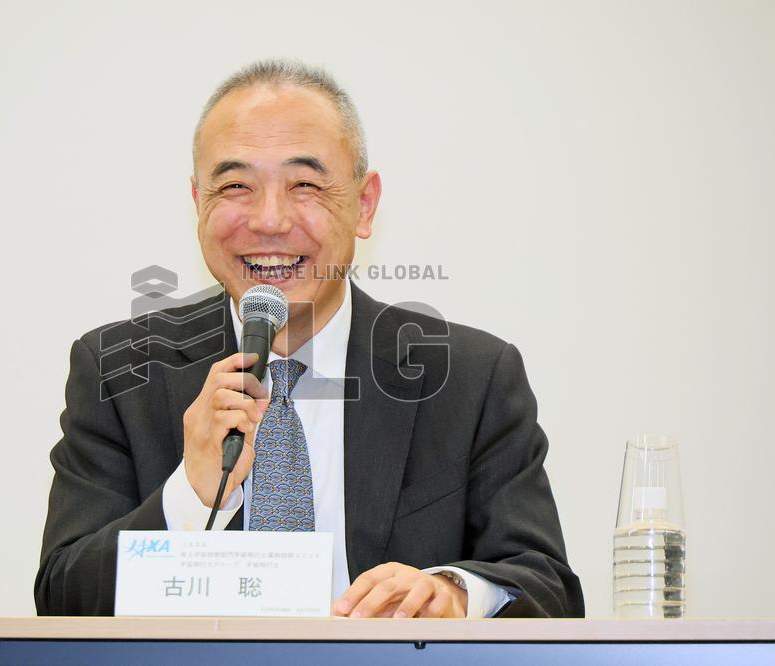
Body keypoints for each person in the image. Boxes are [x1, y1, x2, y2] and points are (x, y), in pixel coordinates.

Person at [35, 60, 584, 619]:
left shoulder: (470, 378)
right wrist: (190, 494)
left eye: (305, 185)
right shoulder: (121, 369)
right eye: (235, 186)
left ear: (364, 206)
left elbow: (548, 590)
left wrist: (454, 594)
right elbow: (61, 599)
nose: (269, 221)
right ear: (198, 203)